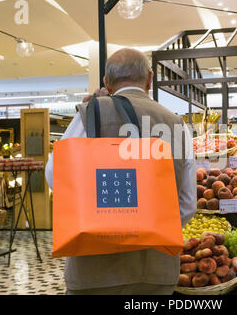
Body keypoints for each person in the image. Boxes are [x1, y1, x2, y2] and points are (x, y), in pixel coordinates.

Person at [45, 48, 196, 295]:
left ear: (106, 82)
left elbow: (55, 176)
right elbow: (188, 204)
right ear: (150, 78)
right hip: (156, 270)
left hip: (93, 269)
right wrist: (147, 229)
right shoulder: (175, 123)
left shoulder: (90, 114)